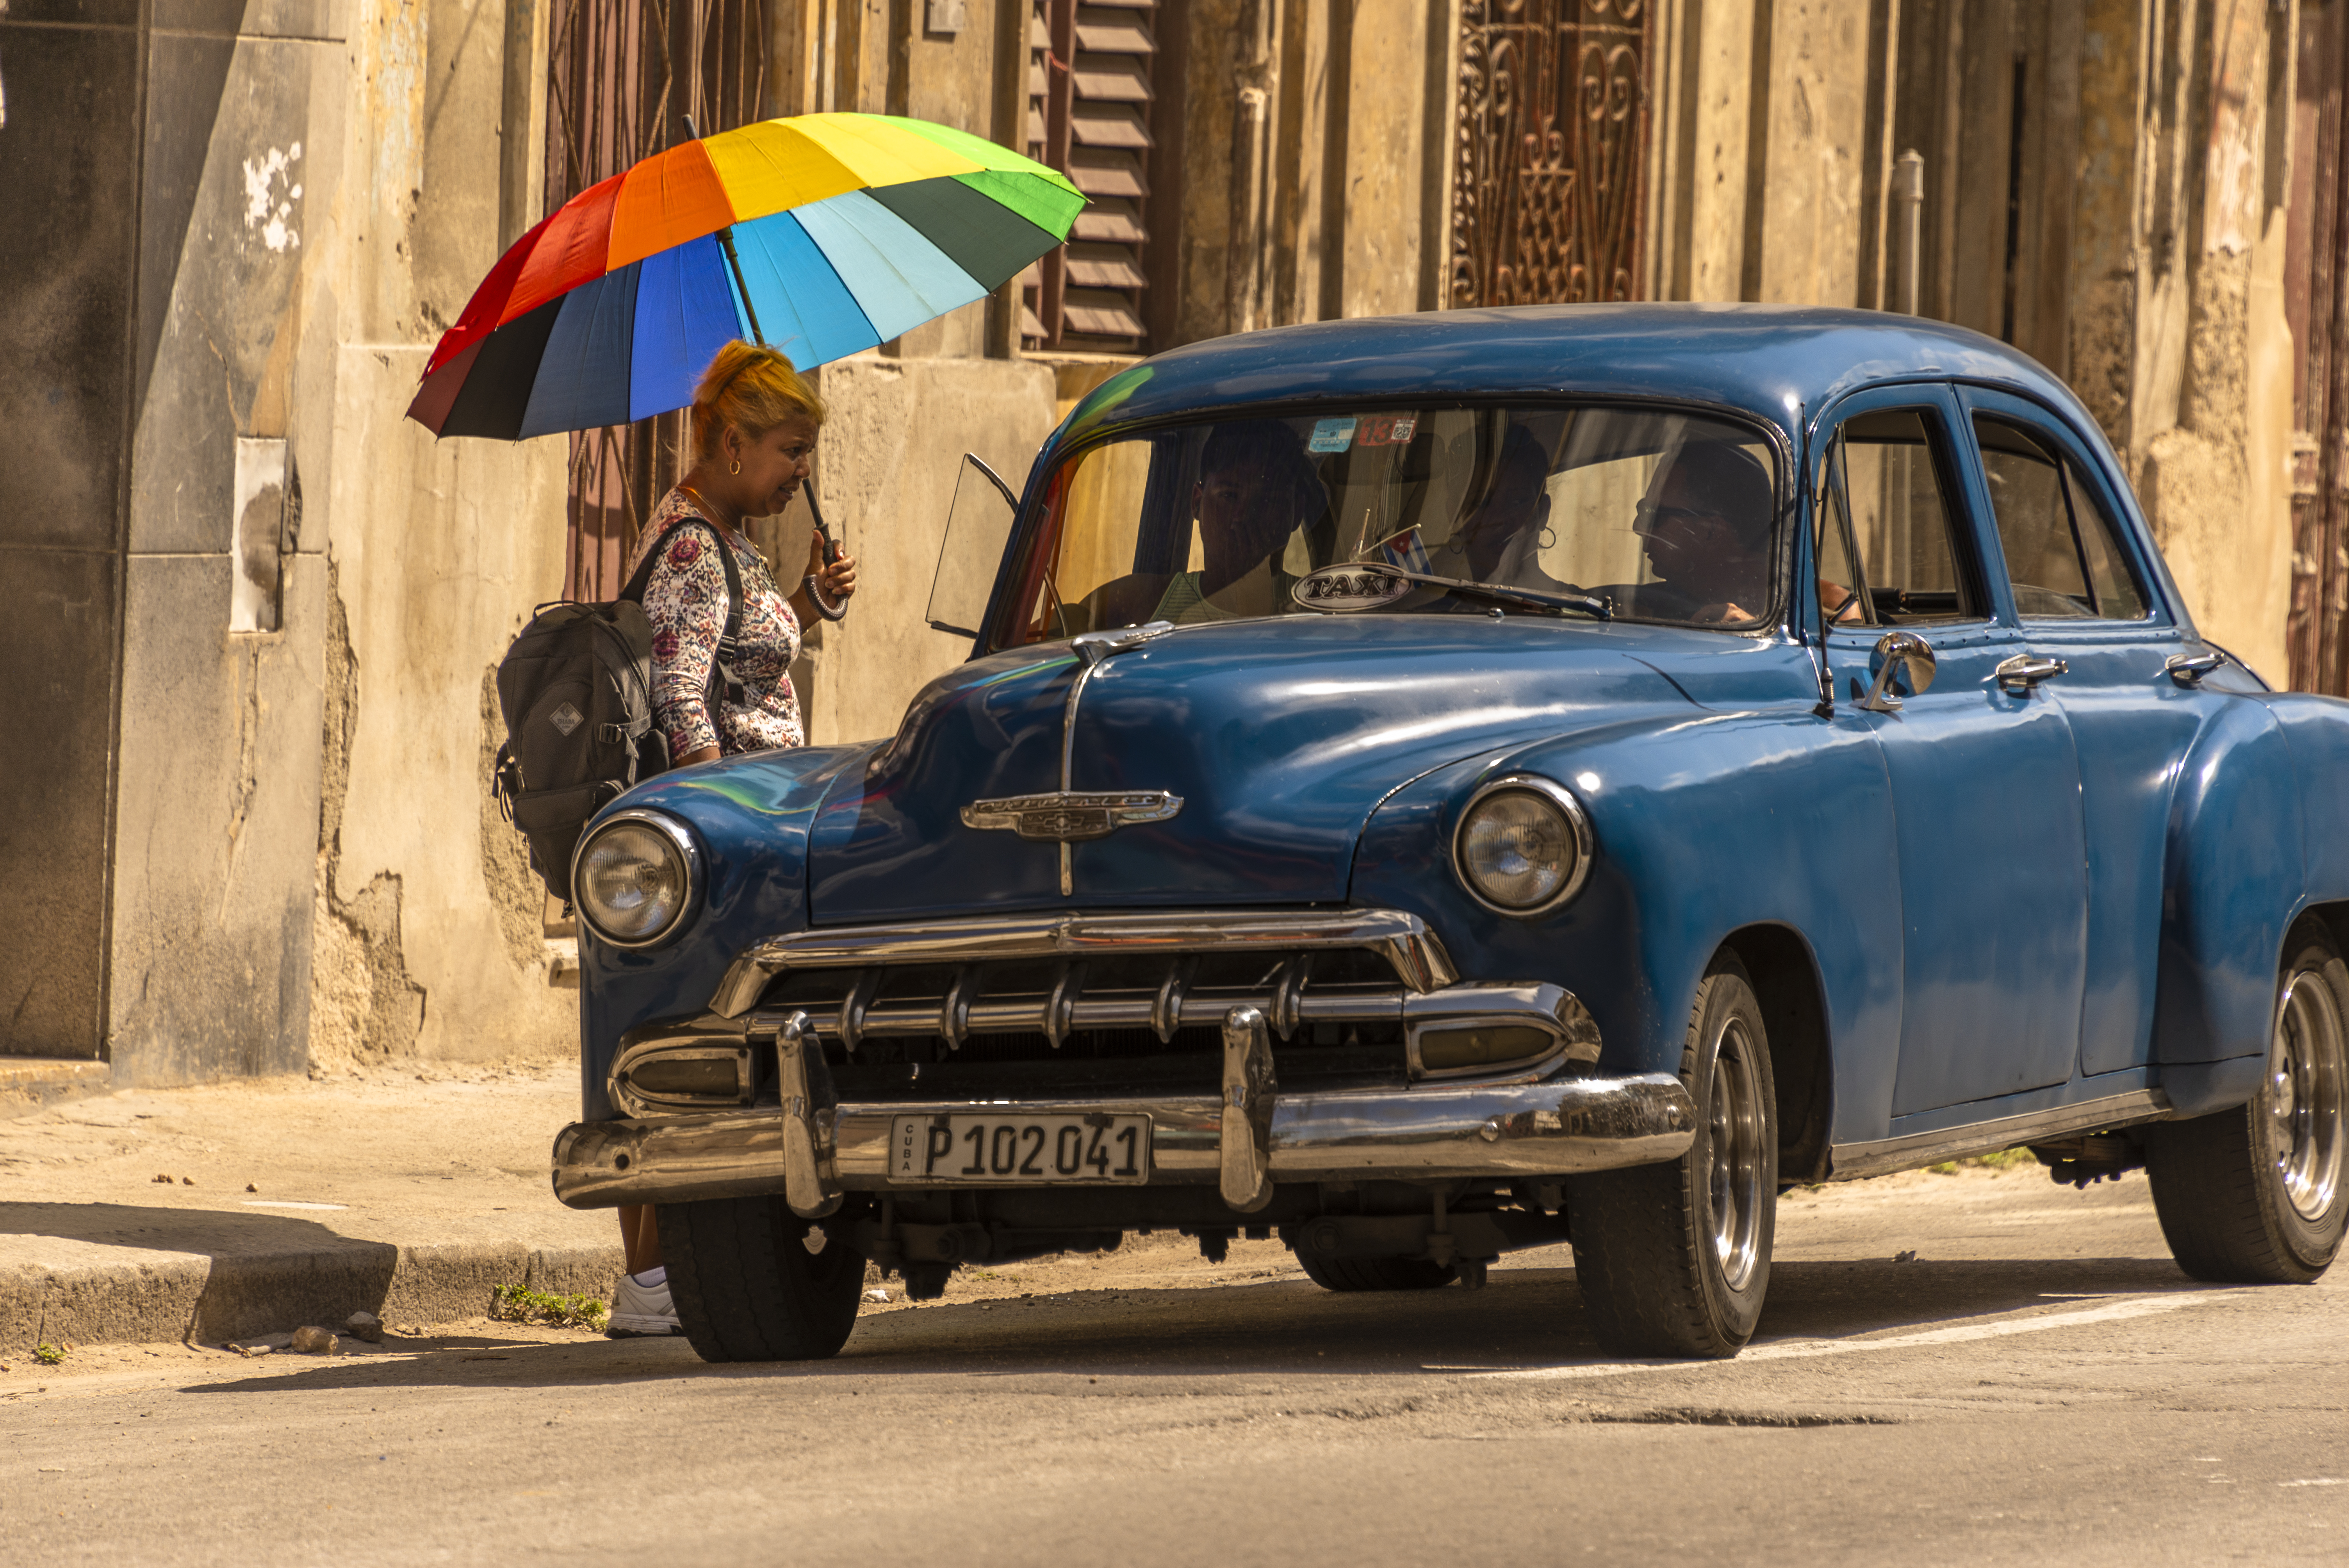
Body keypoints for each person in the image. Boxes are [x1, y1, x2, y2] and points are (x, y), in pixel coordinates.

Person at [605, 340, 857, 1339]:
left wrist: (808, 605)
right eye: (791, 450)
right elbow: (680, 695)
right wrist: (724, 825)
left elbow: (732, 659)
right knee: (688, 1045)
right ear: (733, 441)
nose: (802, 472)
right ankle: (651, 1278)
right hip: (720, 838)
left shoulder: (721, 539)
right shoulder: (689, 549)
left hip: (736, 820)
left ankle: (660, 1276)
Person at [1148, 419, 1327, 624]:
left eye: (1267, 500)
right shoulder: (1144, 604)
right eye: (1230, 496)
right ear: (1197, 503)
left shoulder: (1322, 606)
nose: (1243, 516)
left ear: (1297, 512)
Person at [1629, 440, 1777, 624]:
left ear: (1711, 531)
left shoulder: (1814, 614)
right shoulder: (1657, 603)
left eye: (1656, 515)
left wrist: (1753, 628)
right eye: (1644, 510)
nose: (1638, 527)